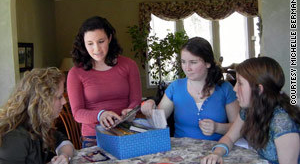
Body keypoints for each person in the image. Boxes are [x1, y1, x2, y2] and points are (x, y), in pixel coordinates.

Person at [201, 57, 300, 164]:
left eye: (240, 83)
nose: (234, 89)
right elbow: (229, 137)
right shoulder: (248, 110)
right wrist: (216, 154)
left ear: (259, 89)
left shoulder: (283, 122)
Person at [141, 37, 240, 140]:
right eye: (183, 62)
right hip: (181, 151)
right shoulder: (175, 87)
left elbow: (239, 128)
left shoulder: (225, 89)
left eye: (193, 62)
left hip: (217, 151)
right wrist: (150, 105)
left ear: (208, 63)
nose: (187, 68)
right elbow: (157, 123)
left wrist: (218, 127)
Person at [67, 16, 142, 147]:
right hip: (94, 137)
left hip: (125, 131)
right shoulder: (75, 73)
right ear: (83, 44)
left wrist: (130, 110)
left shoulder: (129, 65)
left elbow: (136, 99)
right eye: (90, 43)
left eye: (101, 41)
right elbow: (77, 113)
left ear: (110, 38)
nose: (96, 49)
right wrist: (100, 115)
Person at [0, 67, 74, 164]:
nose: (64, 102)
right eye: (59, 97)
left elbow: (62, 140)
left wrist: (64, 155)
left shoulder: (37, 124)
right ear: (42, 102)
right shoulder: (15, 138)